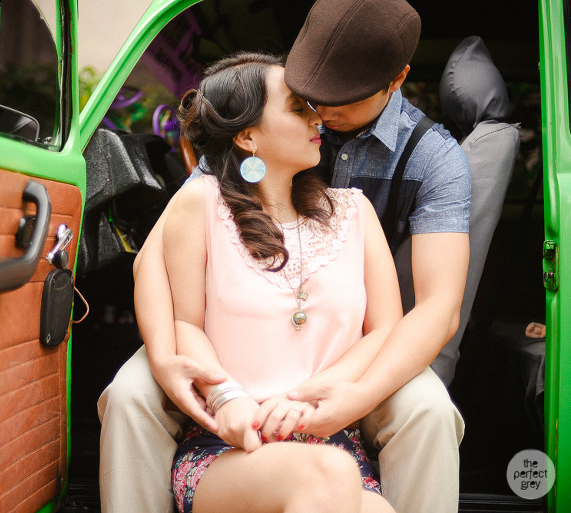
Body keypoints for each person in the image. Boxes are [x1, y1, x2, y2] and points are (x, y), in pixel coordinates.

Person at [97, 0, 470, 512]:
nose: (320, 109)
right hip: (227, 361)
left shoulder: (431, 162)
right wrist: (173, 361)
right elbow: (155, 265)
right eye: (307, 94)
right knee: (130, 393)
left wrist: (344, 397)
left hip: (345, 355)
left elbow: (434, 310)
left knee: (427, 408)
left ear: (397, 80)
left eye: (339, 94)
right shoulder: (231, 163)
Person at [164, 51, 400, 513]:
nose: (318, 118)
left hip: (333, 444)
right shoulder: (200, 203)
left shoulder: (354, 211)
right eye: (297, 107)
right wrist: (226, 398)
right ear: (248, 135)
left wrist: (309, 399)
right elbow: (183, 323)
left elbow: (387, 328)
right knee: (327, 475)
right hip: (229, 449)